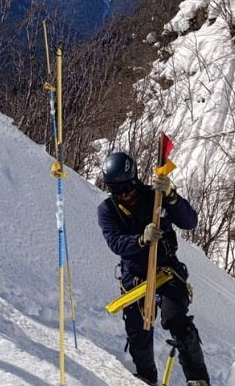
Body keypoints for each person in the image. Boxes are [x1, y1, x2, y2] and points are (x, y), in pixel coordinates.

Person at [97, 152, 210, 386]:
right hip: (135, 274)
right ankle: (146, 377)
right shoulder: (108, 210)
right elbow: (115, 242)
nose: (125, 195)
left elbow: (189, 222)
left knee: (176, 318)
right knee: (138, 328)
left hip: (166, 269)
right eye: (117, 190)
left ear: (135, 180)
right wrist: (141, 240)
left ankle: (198, 379)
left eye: (128, 188)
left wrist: (171, 196)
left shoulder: (155, 196)